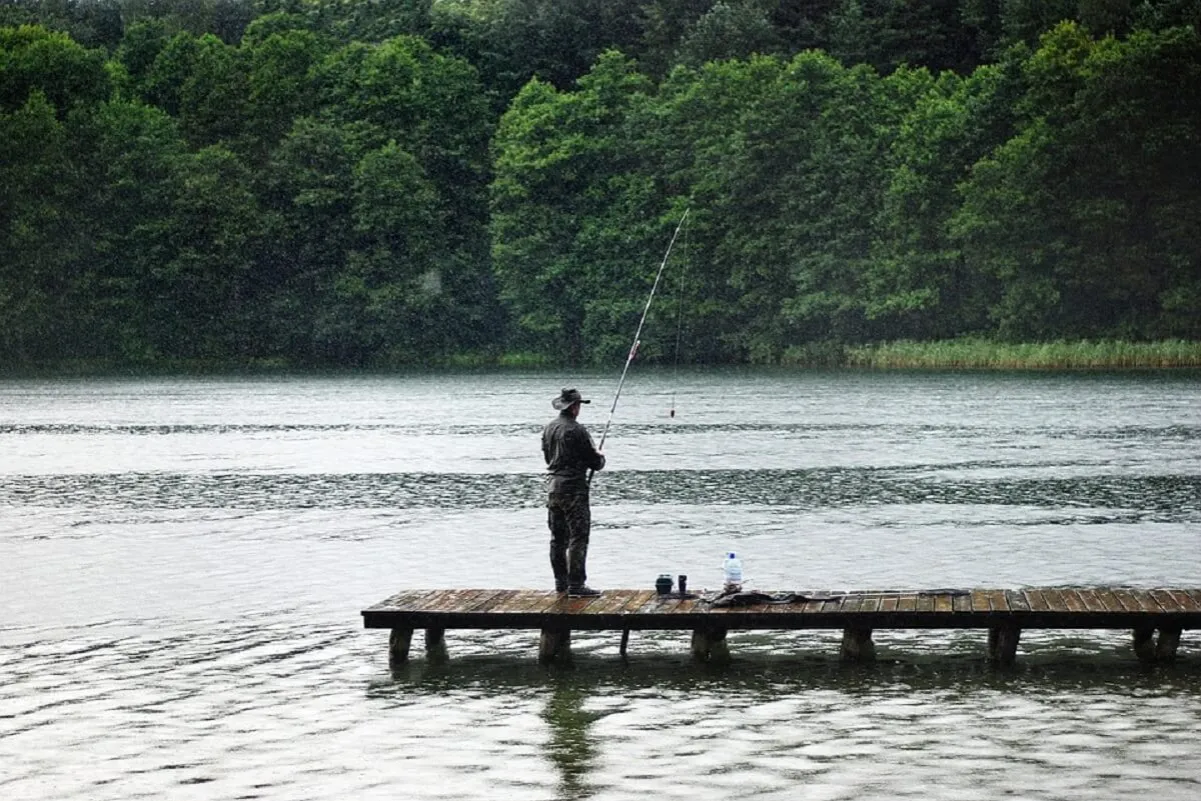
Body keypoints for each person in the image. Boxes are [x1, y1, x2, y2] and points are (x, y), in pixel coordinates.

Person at [542, 387, 605, 596]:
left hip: (553, 488)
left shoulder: (549, 428)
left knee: (557, 538)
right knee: (578, 536)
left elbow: (547, 458)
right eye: (579, 405)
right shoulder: (577, 430)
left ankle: (561, 583)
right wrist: (600, 457)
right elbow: (594, 462)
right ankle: (576, 585)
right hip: (574, 490)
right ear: (575, 407)